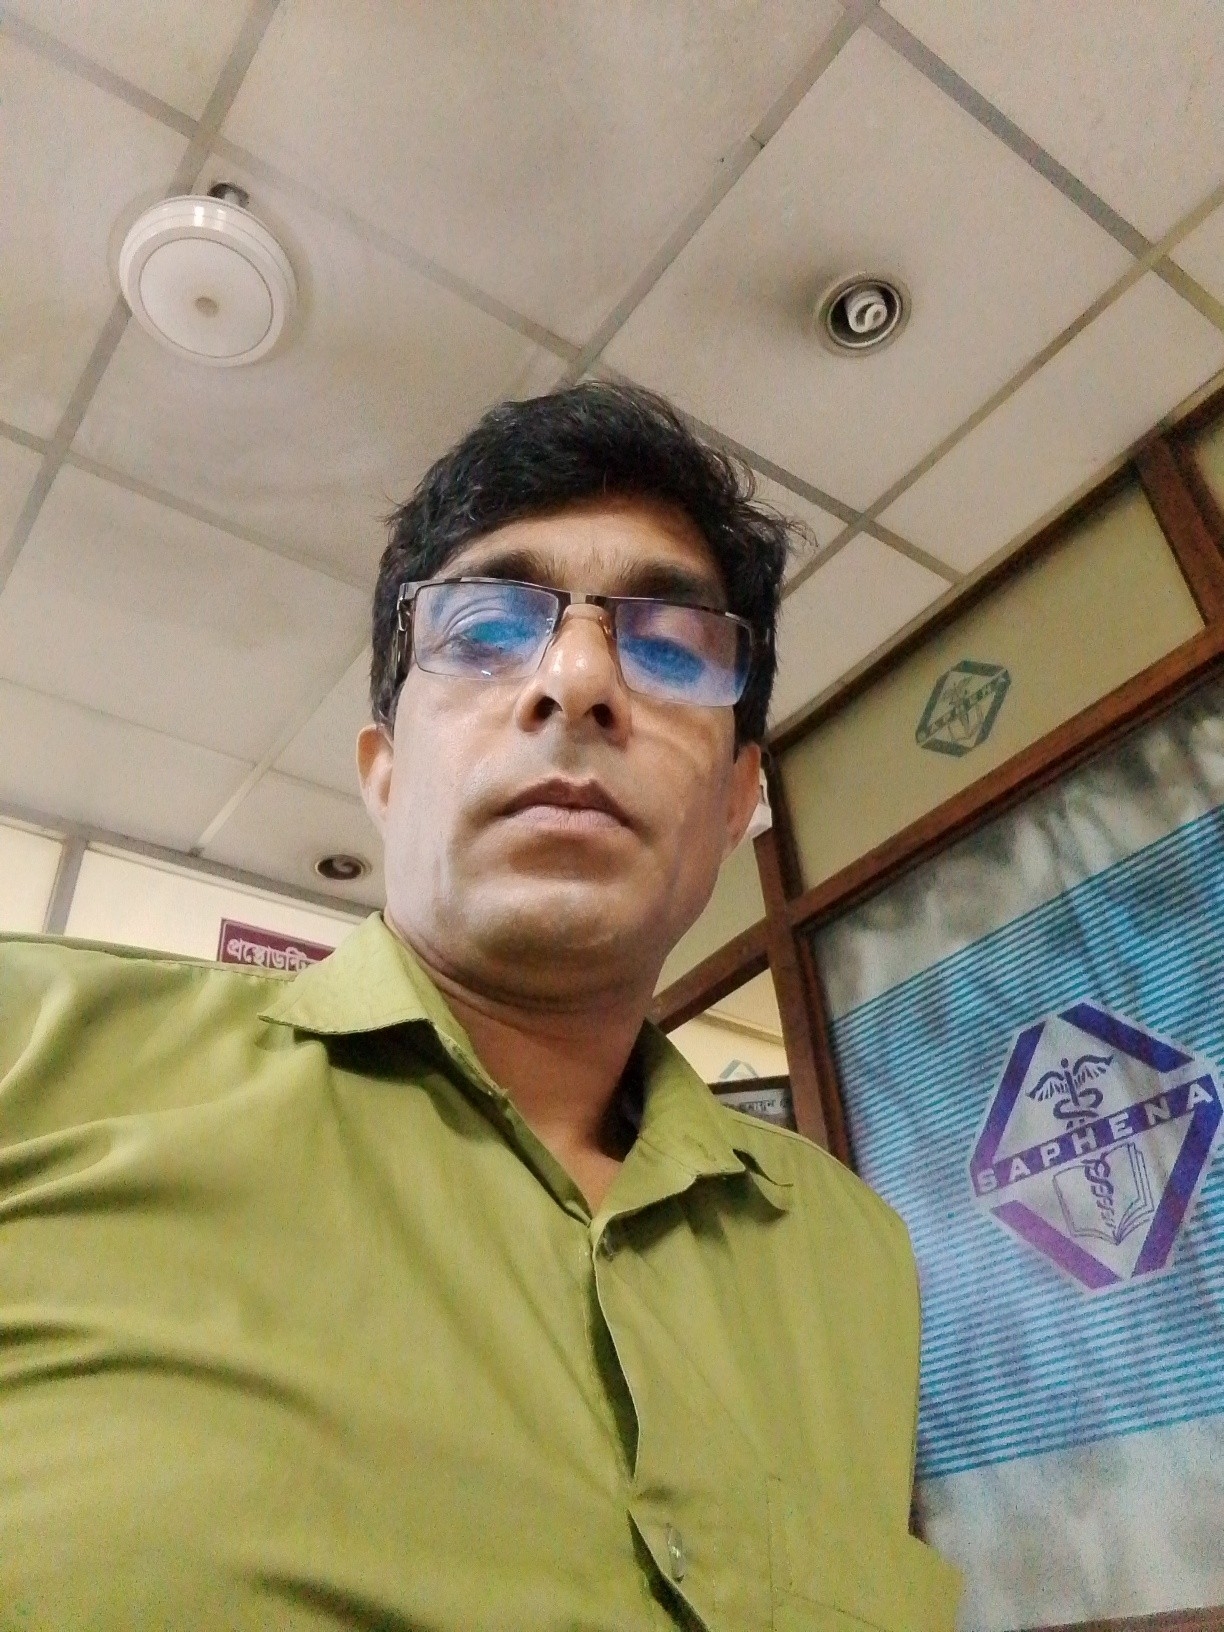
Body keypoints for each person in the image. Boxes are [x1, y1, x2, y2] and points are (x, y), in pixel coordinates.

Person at [0, 384, 960, 1629]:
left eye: (672, 647)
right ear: (383, 773)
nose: (578, 679)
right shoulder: (37, 1057)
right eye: (488, 628)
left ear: (736, 804)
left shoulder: (856, 1259)